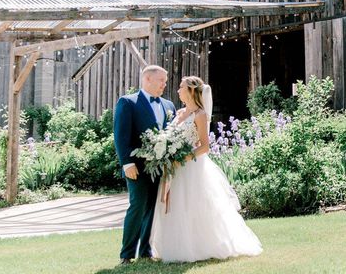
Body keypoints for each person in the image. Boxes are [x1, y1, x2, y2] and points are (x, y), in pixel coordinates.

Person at [149, 76, 262, 263]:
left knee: (194, 205)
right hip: (175, 168)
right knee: (176, 206)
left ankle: (202, 245)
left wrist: (181, 159)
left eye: (181, 87)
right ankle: (175, 245)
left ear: (191, 91)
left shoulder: (200, 115)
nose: (178, 90)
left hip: (192, 167)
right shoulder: (179, 113)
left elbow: (204, 146)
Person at [112, 65, 175, 265]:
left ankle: (146, 251)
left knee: (151, 208)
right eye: (161, 81)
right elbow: (121, 135)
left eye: (165, 81)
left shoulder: (169, 105)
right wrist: (126, 163)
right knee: (137, 206)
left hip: (160, 167)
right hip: (136, 166)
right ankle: (126, 254)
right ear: (147, 79)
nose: (164, 85)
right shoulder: (127, 102)